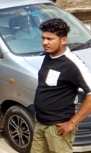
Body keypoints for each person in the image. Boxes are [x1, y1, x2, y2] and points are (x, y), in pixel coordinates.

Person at [31, 18, 91, 153]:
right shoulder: (48, 56)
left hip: (58, 128)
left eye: (50, 39)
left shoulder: (73, 64)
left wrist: (72, 123)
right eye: (43, 38)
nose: (45, 42)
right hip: (41, 123)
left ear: (63, 40)